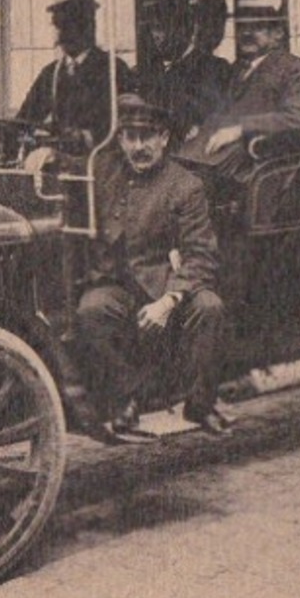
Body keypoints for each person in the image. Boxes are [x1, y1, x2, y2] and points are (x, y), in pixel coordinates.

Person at [73, 94, 229, 438]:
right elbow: (73, 165)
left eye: (147, 137)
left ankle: (201, 404)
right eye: (130, 137)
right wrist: (49, 156)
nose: (139, 146)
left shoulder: (186, 186)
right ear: (120, 140)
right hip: (119, 286)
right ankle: (129, 397)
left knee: (210, 308)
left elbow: (201, 256)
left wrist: (169, 300)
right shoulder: (103, 171)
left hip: (167, 287)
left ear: (164, 139)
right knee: (91, 312)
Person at [180, 2, 300, 179]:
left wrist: (241, 129)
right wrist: (202, 127)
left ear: (278, 33)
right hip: (214, 151)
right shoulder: (237, 69)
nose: (246, 33)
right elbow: (222, 108)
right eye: (242, 27)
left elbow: (299, 118)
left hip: (258, 157)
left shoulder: (296, 68)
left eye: (257, 27)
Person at [12, 0, 133, 151]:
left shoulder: (113, 69)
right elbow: (25, 119)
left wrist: (87, 136)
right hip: (61, 162)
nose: (61, 36)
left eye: (68, 27)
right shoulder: (51, 74)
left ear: (88, 28)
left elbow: (127, 121)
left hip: (103, 162)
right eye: (58, 27)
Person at [152, 0, 233, 142]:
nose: (156, 36)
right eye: (154, 28)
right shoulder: (157, 71)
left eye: (162, 28)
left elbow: (208, 118)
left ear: (185, 30)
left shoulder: (214, 69)